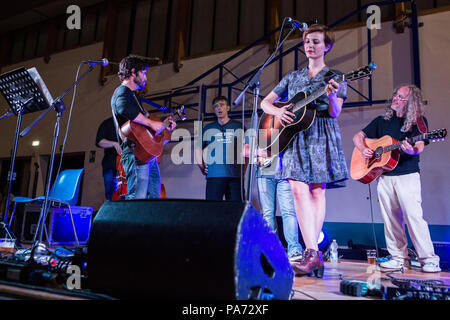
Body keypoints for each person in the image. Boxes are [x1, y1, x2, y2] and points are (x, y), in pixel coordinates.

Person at [260, 24, 348, 277]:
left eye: (316, 41)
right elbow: (266, 103)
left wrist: (331, 95)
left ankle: (311, 254)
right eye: (308, 41)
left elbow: (335, 112)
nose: (310, 45)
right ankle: (312, 251)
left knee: (316, 191)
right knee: (297, 189)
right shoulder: (292, 76)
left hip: (321, 132)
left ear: (327, 46)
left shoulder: (336, 75)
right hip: (294, 136)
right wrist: (279, 111)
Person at [353, 84, 441, 273]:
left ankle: (429, 259)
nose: (395, 99)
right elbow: (358, 137)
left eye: (401, 97)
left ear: (410, 103)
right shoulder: (381, 121)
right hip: (384, 175)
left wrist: (412, 149)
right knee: (390, 219)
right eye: (396, 95)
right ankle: (398, 258)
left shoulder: (418, 121)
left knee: (413, 217)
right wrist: (363, 149)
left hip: (407, 174)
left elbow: (419, 145)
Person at [111, 55, 176, 200]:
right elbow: (123, 108)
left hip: (145, 153)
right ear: (133, 72)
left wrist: (164, 126)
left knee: (154, 194)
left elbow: (142, 125)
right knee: (136, 197)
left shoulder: (134, 96)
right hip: (135, 154)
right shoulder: (122, 92)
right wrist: (152, 123)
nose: (146, 77)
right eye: (144, 73)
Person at [243, 145, 303, 262]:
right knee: (267, 213)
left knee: (289, 212)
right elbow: (244, 151)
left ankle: (294, 249)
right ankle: (272, 248)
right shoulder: (258, 128)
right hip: (264, 174)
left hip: (284, 172)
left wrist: (270, 152)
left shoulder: (285, 126)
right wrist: (259, 152)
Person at [195, 96, 246, 201]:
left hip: (235, 177)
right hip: (214, 176)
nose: (219, 108)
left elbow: (246, 150)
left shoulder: (238, 126)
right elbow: (197, 149)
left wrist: (243, 171)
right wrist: (201, 166)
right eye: (215, 106)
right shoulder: (208, 128)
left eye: (222, 105)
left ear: (227, 108)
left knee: (236, 210)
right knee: (212, 210)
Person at [95, 117, 122, 201]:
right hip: (110, 163)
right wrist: (114, 144)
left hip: (126, 163)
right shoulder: (107, 123)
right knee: (110, 191)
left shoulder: (129, 121)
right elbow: (99, 141)